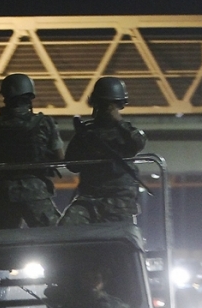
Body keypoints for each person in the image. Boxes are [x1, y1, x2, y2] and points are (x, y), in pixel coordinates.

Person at [59, 76, 148, 225]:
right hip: (89, 197)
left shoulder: (126, 132)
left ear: (119, 106)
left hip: (119, 199)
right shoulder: (87, 133)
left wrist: (119, 122)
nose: (106, 110)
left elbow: (139, 143)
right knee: (66, 228)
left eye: (111, 106)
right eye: (103, 105)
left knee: (119, 236)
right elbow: (72, 165)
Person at [0, 73, 65, 229]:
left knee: (4, 237)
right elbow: (60, 157)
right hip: (36, 190)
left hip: (6, 191)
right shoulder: (44, 123)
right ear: (29, 97)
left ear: (5, 98)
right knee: (52, 235)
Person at [54, 267, 130, 308]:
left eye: (96, 278)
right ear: (81, 281)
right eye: (86, 278)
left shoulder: (116, 304)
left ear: (103, 282)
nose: (91, 282)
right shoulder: (71, 304)